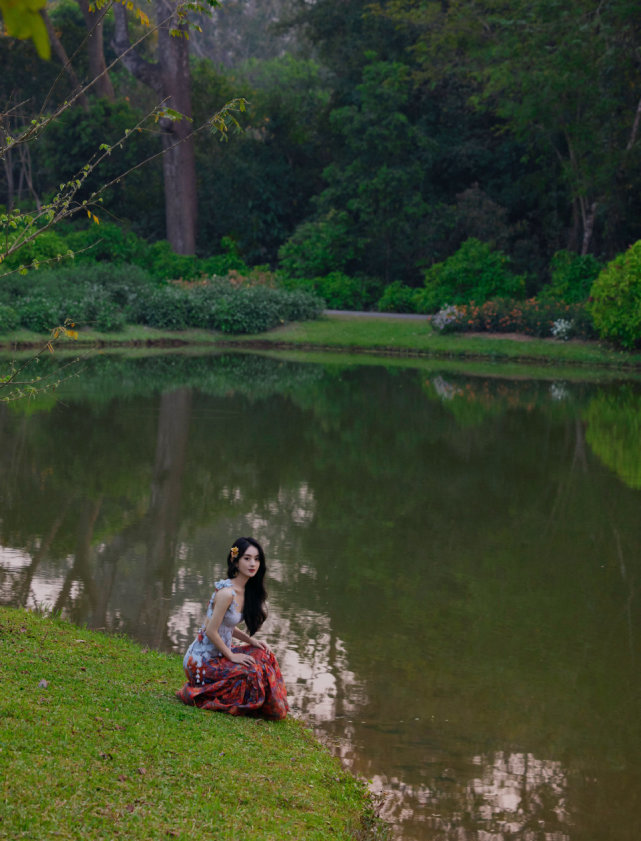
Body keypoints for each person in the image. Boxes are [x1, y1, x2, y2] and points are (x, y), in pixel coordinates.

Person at [176, 537, 288, 720]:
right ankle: (204, 694)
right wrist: (231, 655)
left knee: (264, 655)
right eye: (247, 558)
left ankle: (272, 705)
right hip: (201, 662)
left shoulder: (247, 591)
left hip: (220, 654)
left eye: (257, 559)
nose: (253, 564)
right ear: (235, 561)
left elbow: (227, 627)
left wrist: (251, 641)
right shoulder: (226, 593)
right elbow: (211, 630)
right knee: (253, 671)